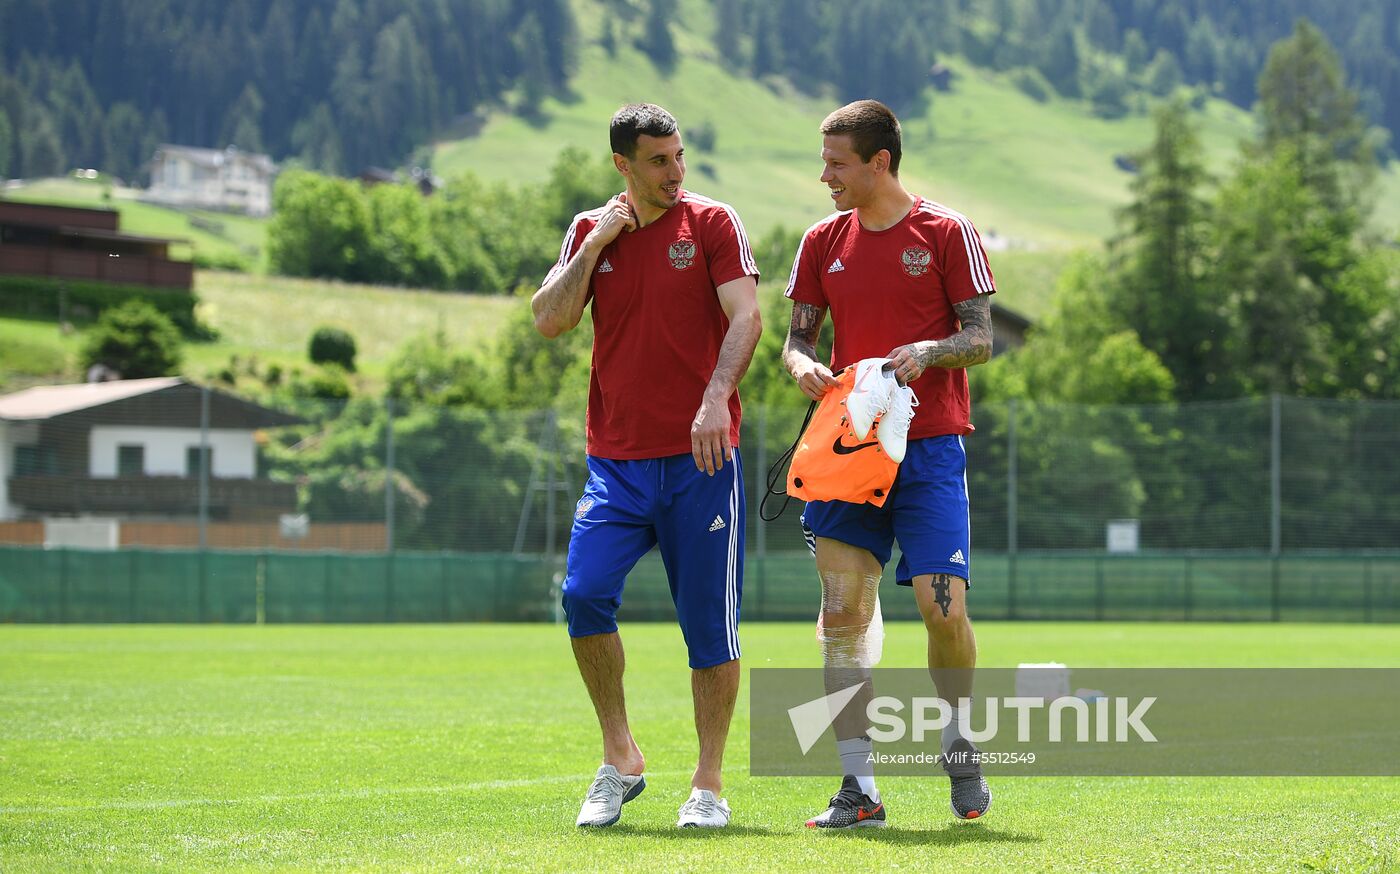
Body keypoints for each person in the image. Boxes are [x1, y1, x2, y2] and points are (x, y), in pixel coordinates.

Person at [531, 103, 762, 829]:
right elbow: (549, 318)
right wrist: (598, 240)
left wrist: (715, 398)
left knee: (710, 632)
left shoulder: (714, 224)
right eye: (658, 161)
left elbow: (748, 316)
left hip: (703, 458)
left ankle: (709, 784)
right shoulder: (588, 231)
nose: (675, 173)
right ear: (622, 166)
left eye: (680, 157)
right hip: (616, 464)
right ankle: (620, 755)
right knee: (583, 594)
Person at [781, 99, 995, 827]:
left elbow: (981, 336)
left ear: (881, 162)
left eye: (837, 164)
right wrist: (803, 367)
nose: (825, 176)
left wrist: (929, 352)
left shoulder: (946, 232)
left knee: (943, 608)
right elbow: (796, 340)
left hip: (930, 449)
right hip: (847, 450)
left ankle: (959, 742)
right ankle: (858, 788)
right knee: (842, 613)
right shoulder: (820, 241)